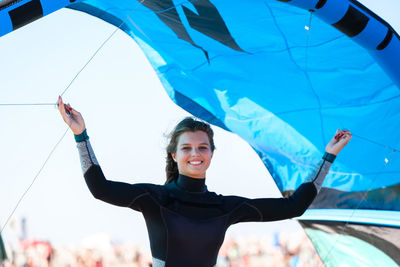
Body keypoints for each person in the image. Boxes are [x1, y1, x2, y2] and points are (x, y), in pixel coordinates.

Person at [57, 96, 351, 267]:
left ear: (211, 153)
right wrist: (80, 135)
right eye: (186, 148)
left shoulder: (224, 207)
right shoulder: (155, 199)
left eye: (202, 147)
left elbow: (294, 207)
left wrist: (327, 157)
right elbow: (100, 188)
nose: (195, 154)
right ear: (174, 155)